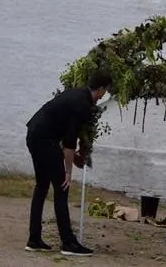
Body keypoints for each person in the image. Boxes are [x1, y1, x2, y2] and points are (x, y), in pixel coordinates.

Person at [25, 70, 112, 256]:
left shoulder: (78, 94)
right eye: (105, 91)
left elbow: (71, 134)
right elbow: (69, 141)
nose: (104, 95)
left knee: (41, 186)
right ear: (102, 89)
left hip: (34, 133)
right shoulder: (82, 104)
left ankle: (34, 239)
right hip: (45, 140)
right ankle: (68, 243)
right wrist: (68, 170)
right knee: (62, 187)